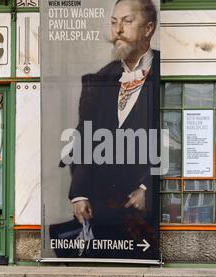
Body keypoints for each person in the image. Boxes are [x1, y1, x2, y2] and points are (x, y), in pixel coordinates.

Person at [66, 0, 160, 260]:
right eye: (113, 22)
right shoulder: (100, 78)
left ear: (148, 28)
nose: (117, 29)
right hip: (101, 209)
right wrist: (79, 192)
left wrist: (148, 187)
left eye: (127, 21)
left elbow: (174, 141)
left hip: (144, 216)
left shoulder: (166, 71)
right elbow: (84, 137)